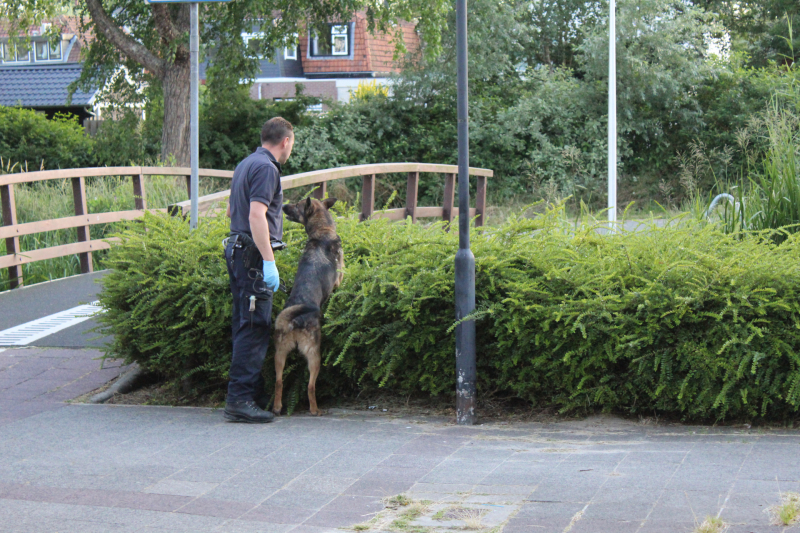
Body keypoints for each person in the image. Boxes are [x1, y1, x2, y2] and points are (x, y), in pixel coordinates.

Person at [223, 117, 294, 423]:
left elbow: (231, 210)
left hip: (237, 250)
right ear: (285, 141)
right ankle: (239, 400)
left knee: (245, 324)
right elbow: (256, 216)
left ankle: (249, 395)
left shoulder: (245, 164)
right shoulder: (267, 168)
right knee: (254, 328)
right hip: (252, 257)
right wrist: (268, 261)